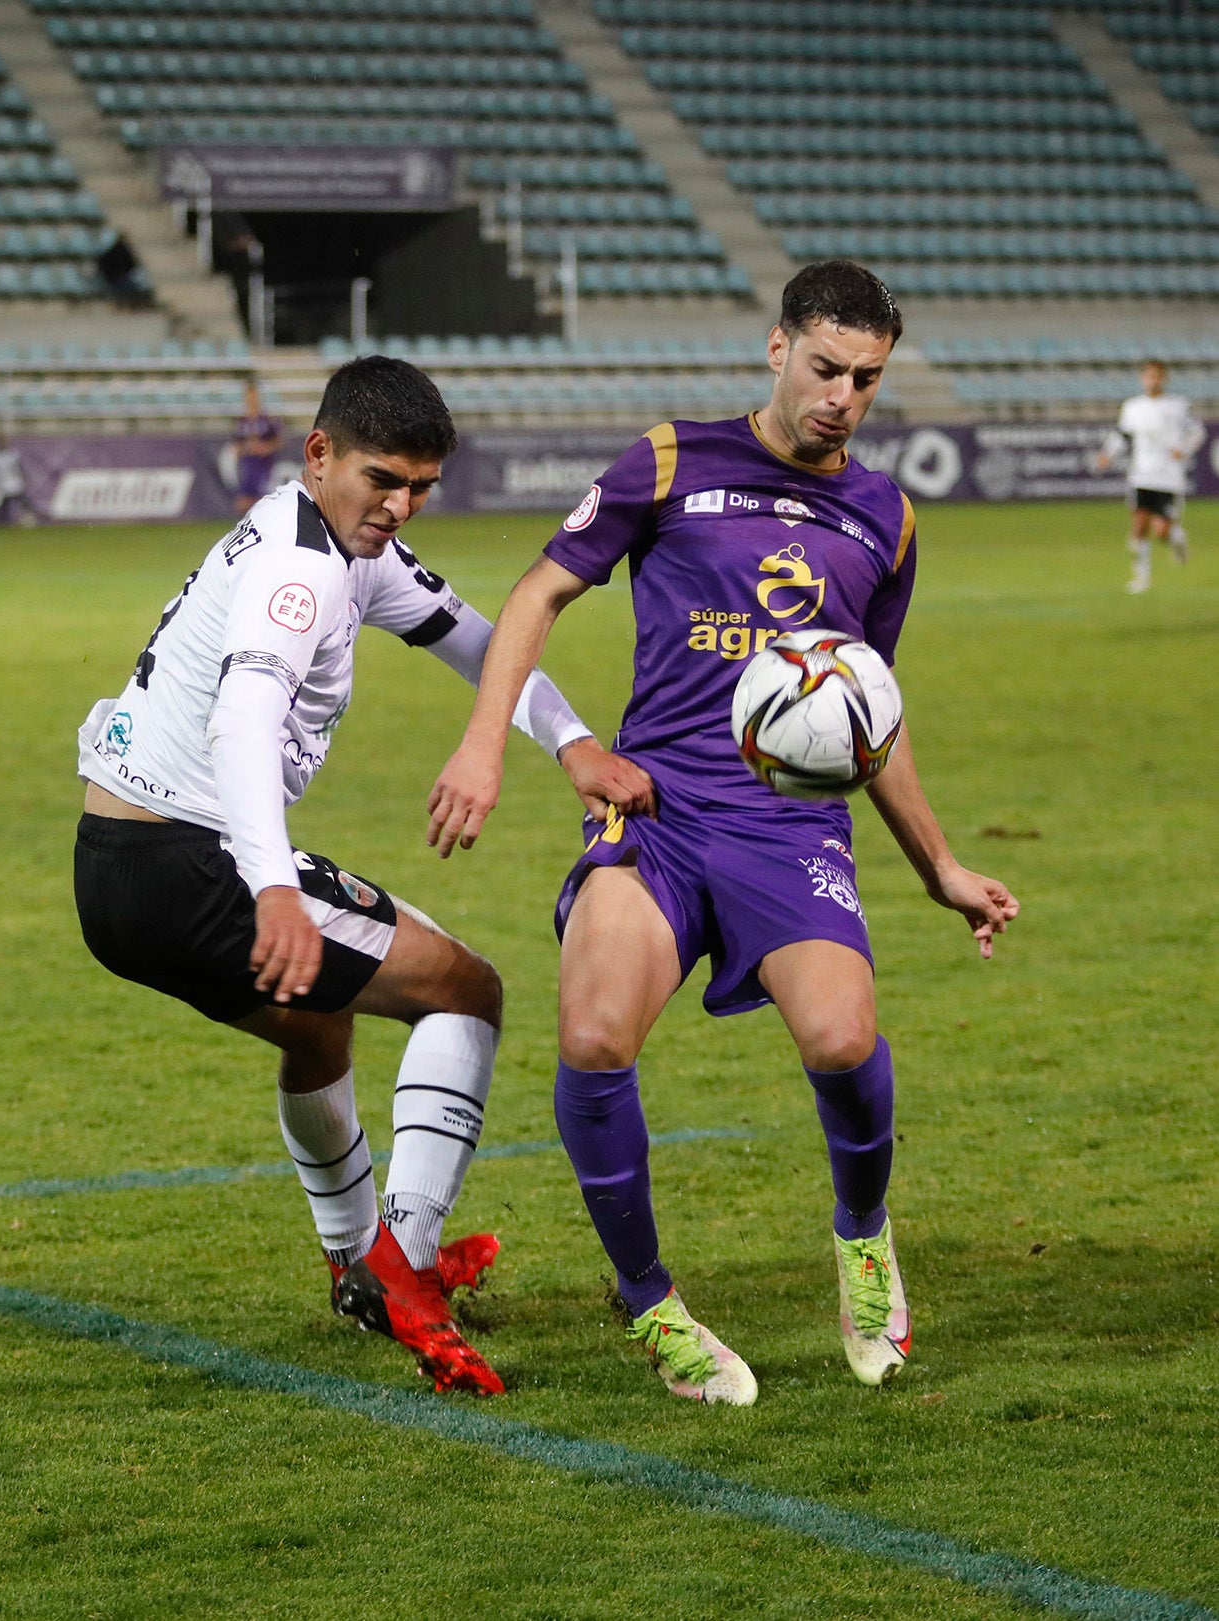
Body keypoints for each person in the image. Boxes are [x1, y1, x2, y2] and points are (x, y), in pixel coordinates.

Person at [427, 261, 1020, 1405]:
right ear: (776, 348)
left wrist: (940, 864)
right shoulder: (669, 459)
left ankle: (863, 1237)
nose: (844, 394)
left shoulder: (885, 518)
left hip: (788, 825)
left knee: (844, 1039)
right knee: (595, 1035)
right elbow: (537, 596)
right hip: (653, 812)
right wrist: (486, 743)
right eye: (826, 366)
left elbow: (867, 716)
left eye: (868, 377)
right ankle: (651, 1304)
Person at [74, 355, 630, 1395]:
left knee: (317, 1025)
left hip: (115, 869)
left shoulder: (345, 542)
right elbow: (243, 717)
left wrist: (571, 744)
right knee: (465, 988)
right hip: (192, 855)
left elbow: (477, 640)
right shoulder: (302, 569)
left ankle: (353, 1264)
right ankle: (403, 1268)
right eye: (383, 478)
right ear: (318, 453)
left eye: (421, 485)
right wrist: (273, 886)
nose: (400, 504)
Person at [1096, 359, 1204, 594]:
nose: (1153, 380)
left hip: (1168, 476)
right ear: (1143, 379)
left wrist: (1183, 448)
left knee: (1162, 531)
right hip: (1141, 474)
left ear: (1164, 378)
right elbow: (1122, 434)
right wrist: (1108, 454)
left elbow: (1198, 431)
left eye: (1157, 376)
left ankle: (1178, 539)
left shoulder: (1178, 405)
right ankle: (1141, 577)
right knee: (1138, 524)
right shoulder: (1133, 407)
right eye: (1149, 376)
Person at [233, 381, 285, 515]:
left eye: (253, 396)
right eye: (249, 396)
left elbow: (278, 441)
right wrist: (247, 448)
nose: (251, 399)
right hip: (248, 465)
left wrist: (266, 448)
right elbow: (237, 446)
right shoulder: (242, 421)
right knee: (243, 503)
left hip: (264, 466)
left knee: (262, 500)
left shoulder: (267, 420)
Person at [0, 431, 37, 526]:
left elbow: (19, 469)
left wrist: (24, 478)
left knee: (25, 502)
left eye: (5, 440)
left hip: (15, 483)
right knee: (2, 507)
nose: (3, 443)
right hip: (1, 486)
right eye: (1, 441)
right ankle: (2, 523)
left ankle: (29, 519)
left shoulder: (13, 455)